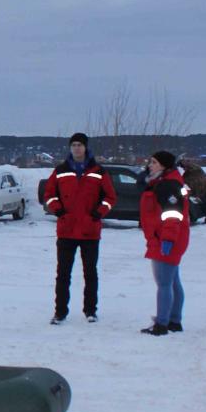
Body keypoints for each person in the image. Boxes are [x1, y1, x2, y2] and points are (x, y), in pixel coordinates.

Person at [43, 133, 117, 324]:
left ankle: (90, 310)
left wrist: (98, 213)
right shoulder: (60, 170)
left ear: (85, 147)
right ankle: (60, 312)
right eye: (73, 145)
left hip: (89, 231)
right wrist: (58, 211)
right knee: (63, 274)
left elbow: (110, 197)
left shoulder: (98, 171)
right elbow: (49, 194)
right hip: (67, 230)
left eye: (80, 145)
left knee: (90, 273)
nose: (76, 148)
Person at [139, 151, 190, 336]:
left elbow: (173, 216)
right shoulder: (165, 182)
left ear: (164, 166)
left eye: (153, 162)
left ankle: (162, 324)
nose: (149, 165)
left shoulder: (168, 186)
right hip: (166, 237)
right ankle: (174, 320)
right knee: (173, 281)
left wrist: (167, 240)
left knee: (164, 283)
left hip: (166, 239)